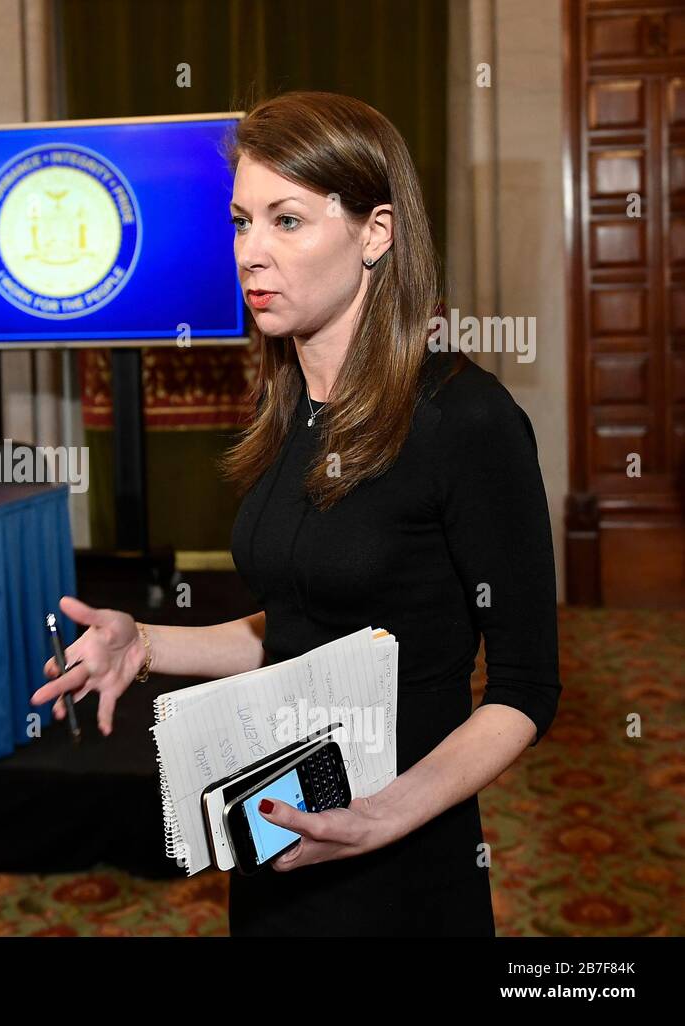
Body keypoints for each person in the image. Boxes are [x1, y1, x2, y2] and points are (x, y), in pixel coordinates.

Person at [29, 91, 562, 937]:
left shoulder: (469, 419)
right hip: (282, 830)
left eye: (288, 221)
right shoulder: (288, 411)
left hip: (401, 860)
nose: (252, 253)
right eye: (242, 222)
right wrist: (149, 643)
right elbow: (300, 628)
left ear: (375, 233)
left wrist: (385, 816)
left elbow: (527, 689)